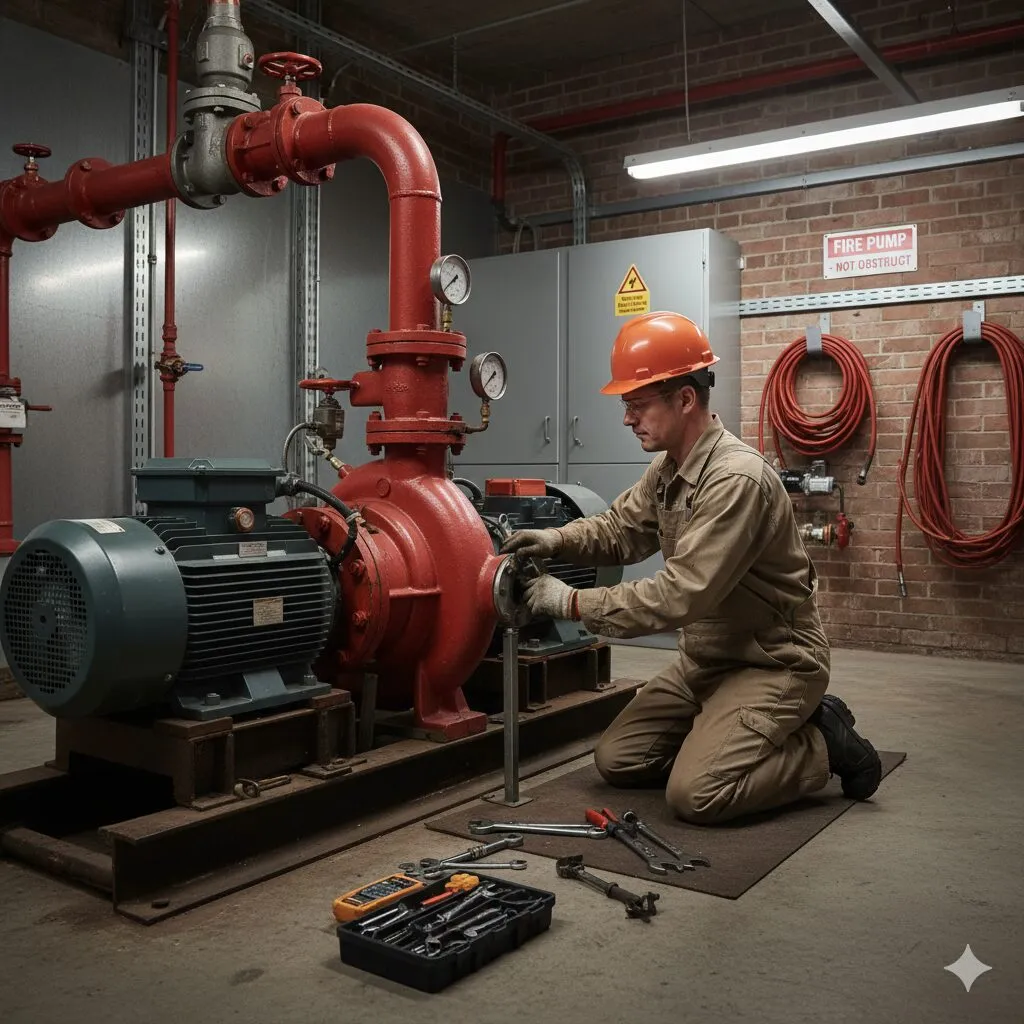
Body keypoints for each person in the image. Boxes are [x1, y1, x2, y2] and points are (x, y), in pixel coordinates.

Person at [501, 310, 882, 825]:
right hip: (707, 660)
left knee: (696, 796)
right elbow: (619, 530)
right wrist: (554, 538)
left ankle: (821, 745)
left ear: (684, 398)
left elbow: (681, 596)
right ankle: (729, 734)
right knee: (619, 760)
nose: (626, 418)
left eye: (636, 404)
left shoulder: (736, 480)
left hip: (772, 661)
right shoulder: (670, 468)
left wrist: (567, 601)